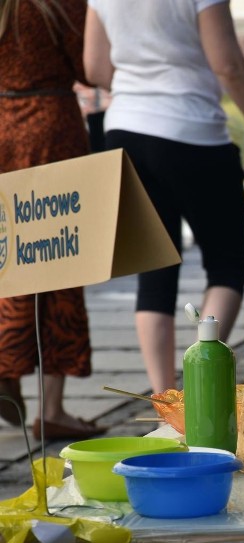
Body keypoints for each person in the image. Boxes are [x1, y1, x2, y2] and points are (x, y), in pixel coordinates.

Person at [84, 0, 244, 394]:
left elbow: (95, 67)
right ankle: (200, 384)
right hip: (191, 131)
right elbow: (228, 64)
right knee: (226, 264)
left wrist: (141, 84)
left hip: (125, 129)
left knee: (155, 265)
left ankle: (163, 399)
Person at [0, 0, 107, 440]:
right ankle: (53, 408)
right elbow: (89, 66)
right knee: (58, 260)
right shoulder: (55, 4)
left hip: (3, 124)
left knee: (11, 257)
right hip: (51, 129)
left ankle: (7, 358)